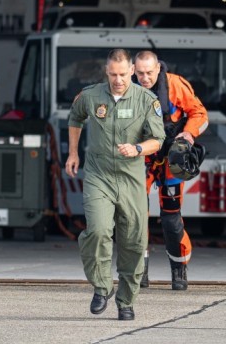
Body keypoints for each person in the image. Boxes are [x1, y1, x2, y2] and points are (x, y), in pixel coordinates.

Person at [66, 48, 166, 322]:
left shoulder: (147, 100)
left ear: (131, 71)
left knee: (134, 239)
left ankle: (126, 301)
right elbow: (75, 117)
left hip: (131, 178)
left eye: (123, 74)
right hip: (99, 175)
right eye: (113, 74)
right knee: (97, 231)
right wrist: (73, 153)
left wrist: (137, 148)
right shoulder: (91, 95)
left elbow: (158, 139)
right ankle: (101, 287)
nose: (118, 80)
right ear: (106, 72)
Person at [133, 50, 209, 291]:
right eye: (140, 73)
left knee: (171, 218)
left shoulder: (175, 85)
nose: (145, 78)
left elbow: (200, 114)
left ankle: (179, 270)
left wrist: (189, 134)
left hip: (170, 159)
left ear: (158, 69)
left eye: (149, 73)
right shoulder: (124, 86)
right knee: (135, 216)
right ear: (133, 70)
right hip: (140, 158)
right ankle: (138, 271)